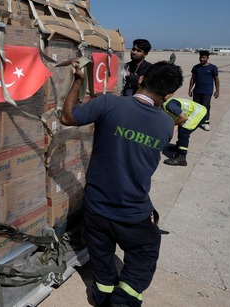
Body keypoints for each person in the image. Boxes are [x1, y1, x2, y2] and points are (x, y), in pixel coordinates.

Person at [61, 60, 183, 307]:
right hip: (132, 212)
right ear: (168, 95)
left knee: (101, 252)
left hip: (95, 207)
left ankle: (102, 292)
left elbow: (67, 117)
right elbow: (170, 121)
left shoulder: (108, 103)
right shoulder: (166, 125)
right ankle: (124, 298)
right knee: (144, 251)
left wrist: (77, 80)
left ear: (141, 79)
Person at [162, 97, 207, 166]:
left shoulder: (170, 105)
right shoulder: (166, 105)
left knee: (183, 132)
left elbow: (184, 118)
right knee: (181, 128)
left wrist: (173, 124)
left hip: (199, 113)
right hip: (196, 111)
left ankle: (181, 158)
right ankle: (179, 147)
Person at [188, 50, 220, 131]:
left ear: (208, 58)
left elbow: (216, 79)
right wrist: (190, 89)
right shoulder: (196, 67)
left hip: (207, 91)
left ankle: (206, 122)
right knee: (195, 107)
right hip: (197, 91)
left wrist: (217, 91)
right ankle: (196, 121)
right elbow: (192, 79)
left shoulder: (213, 67)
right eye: (200, 57)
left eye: (204, 57)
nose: (201, 59)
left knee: (206, 107)